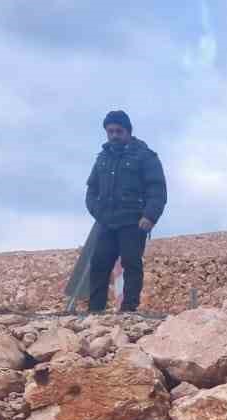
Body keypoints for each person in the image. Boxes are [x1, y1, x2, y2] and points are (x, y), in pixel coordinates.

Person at [84, 110, 166, 312]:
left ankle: (129, 311)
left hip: (133, 221)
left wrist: (150, 216)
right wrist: (98, 212)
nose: (114, 135)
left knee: (131, 264)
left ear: (128, 131)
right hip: (107, 222)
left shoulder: (145, 157)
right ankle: (95, 312)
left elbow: (157, 189)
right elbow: (91, 190)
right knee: (99, 265)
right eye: (110, 131)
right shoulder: (102, 158)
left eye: (118, 131)